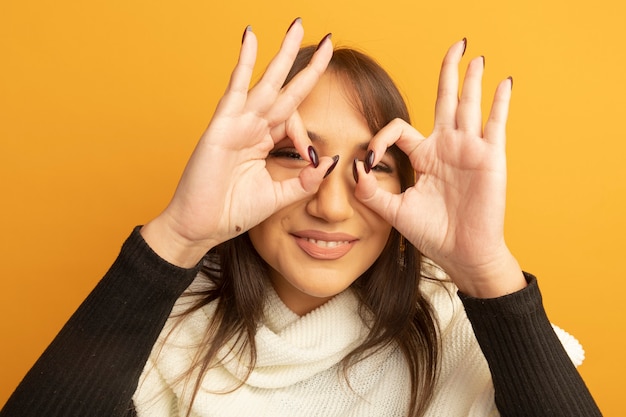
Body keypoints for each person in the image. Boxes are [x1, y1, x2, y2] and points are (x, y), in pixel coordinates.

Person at [0, 18, 601, 417]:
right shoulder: (159, 337)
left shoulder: (456, 331)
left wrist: (486, 270)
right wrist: (179, 235)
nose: (332, 206)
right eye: (296, 155)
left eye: (373, 164)